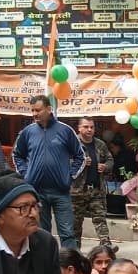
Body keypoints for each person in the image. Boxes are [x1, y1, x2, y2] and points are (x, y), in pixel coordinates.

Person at [13, 96, 85, 248]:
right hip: (36, 192)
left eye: (38, 110)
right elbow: (17, 154)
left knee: (67, 233)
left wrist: (70, 176)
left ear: (49, 109)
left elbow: (81, 156)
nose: (34, 114)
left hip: (61, 192)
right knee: (40, 233)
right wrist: (26, 175)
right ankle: (44, 266)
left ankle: (69, 266)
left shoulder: (65, 130)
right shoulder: (27, 132)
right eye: (32, 110)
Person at [71, 117, 115, 249]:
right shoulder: (72, 143)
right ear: (79, 128)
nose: (89, 130)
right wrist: (81, 162)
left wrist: (105, 167)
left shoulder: (100, 144)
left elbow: (110, 160)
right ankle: (75, 250)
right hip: (77, 190)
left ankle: (106, 245)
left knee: (100, 218)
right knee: (76, 223)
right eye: (86, 127)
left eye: (92, 127)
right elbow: (62, 163)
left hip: (96, 189)